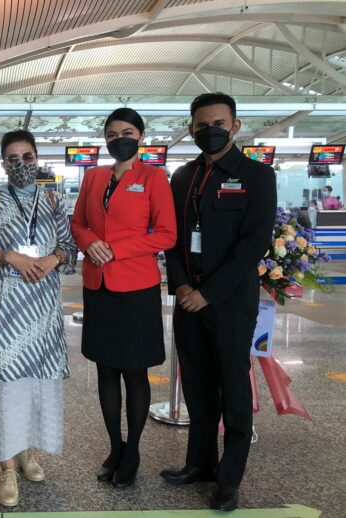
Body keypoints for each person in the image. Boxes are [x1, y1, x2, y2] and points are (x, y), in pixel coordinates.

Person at [162, 92, 277, 512]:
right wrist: (179, 286)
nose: (209, 131)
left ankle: (229, 480)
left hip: (228, 303)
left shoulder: (257, 176)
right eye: (200, 125)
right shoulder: (182, 176)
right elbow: (171, 238)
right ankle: (200, 464)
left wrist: (207, 293)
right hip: (186, 298)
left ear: (235, 126)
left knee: (232, 388)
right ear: (191, 129)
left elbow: (253, 246)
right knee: (195, 385)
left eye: (218, 123)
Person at [70, 108, 177, 489]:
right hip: (98, 286)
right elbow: (78, 223)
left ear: (141, 136)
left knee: (135, 371)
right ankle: (115, 445)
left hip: (136, 287)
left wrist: (115, 248)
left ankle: (133, 450)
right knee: (105, 369)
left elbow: (166, 234)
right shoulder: (93, 176)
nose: (119, 139)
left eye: (127, 132)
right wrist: (90, 242)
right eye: (112, 133)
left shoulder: (153, 177)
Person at [0, 130, 77, 507]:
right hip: (4, 315)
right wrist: (12, 256)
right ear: (4, 164)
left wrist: (53, 259)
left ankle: (26, 452)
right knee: (4, 390)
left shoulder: (53, 201)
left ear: (37, 159)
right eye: (13, 159)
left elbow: (69, 247)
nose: (21, 165)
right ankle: (5, 467)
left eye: (27, 157)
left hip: (43, 314)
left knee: (35, 388)